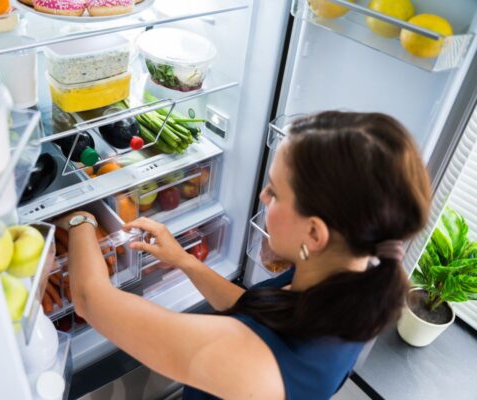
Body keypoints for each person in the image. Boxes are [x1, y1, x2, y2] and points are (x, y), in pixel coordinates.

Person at [55, 111, 431, 399]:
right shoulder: (356, 281)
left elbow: (90, 299)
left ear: (315, 233)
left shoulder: (245, 359)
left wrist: (80, 213)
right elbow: (258, 309)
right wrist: (185, 260)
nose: (264, 197)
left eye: (276, 192)